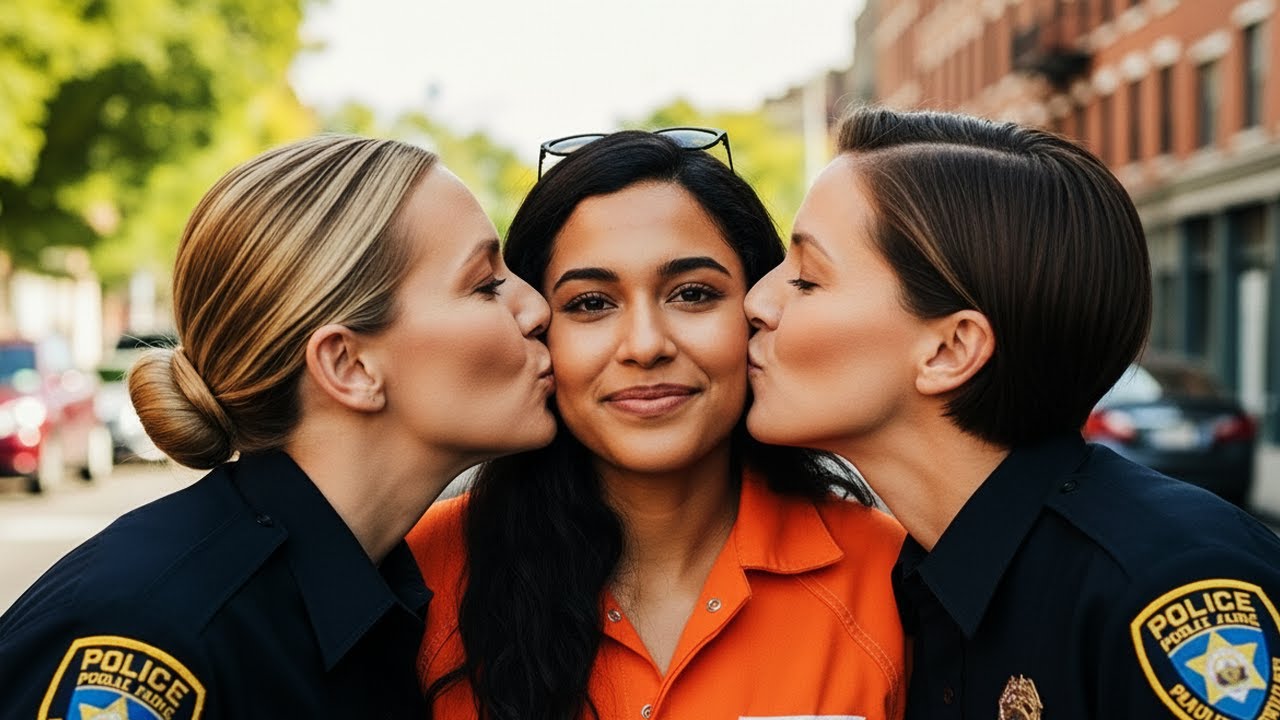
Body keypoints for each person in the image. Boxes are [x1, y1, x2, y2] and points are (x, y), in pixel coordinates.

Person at [744, 106, 1280, 720]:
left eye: (807, 280)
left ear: (950, 350)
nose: (756, 301)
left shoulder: (1165, 593)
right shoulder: (916, 585)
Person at [0, 135, 557, 719]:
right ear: (349, 365)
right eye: (486, 284)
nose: (536, 308)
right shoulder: (154, 637)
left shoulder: (380, 600)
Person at [407, 129, 909, 720]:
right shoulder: (426, 573)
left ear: (759, 310)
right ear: (536, 327)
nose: (645, 346)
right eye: (591, 303)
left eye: (693, 294)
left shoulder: (888, 575)